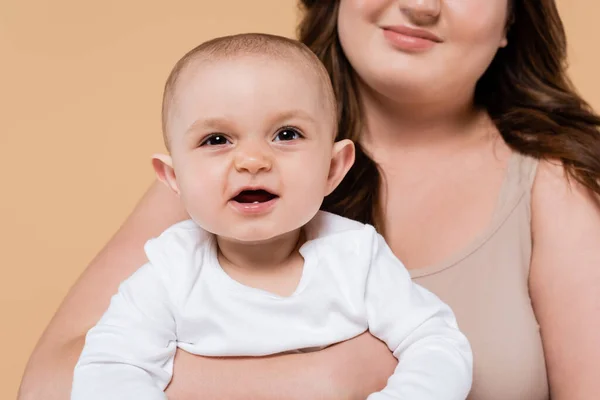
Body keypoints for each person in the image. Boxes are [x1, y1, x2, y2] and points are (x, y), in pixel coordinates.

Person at [19, 1, 600, 400]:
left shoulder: (552, 182)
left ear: (511, 19)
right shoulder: (219, 176)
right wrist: (324, 377)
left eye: (288, 136)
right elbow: (50, 384)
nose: (421, 3)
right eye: (219, 140)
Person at [70, 33, 472, 400]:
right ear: (174, 178)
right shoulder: (168, 276)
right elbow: (110, 372)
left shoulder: (356, 258)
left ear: (333, 168)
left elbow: (436, 343)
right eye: (216, 140)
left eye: (286, 134)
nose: (251, 161)